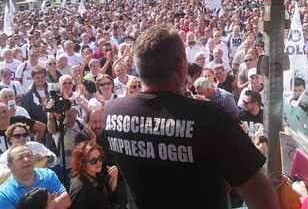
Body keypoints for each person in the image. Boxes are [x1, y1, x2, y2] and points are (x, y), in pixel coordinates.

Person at [103, 25, 279, 209]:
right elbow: (265, 201)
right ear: (181, 66)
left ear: (139, 67)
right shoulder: (210, 118)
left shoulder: (111, 113)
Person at [0, 145, 71, 209]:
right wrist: (52, 203)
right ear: (10, 166)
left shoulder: (47, 174)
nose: (26, 160)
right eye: (20, 158)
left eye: (29, 156)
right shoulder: (4, 193)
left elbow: (66, 202)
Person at [68, 141, 118, 209]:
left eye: (100, 158)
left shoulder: (96, 172)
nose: (99, 162)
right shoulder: (80, 186)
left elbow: (108, 191)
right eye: (93, 161)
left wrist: (114, 175)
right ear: (82, 163)